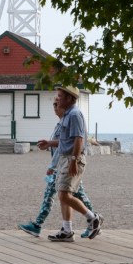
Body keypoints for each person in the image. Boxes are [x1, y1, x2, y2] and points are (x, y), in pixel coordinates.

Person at [18, 101, 97, 239]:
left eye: (57, 104)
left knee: (57, 195)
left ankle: (92, 219)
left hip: (65, 164)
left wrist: (54, 166)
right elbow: (62, 144)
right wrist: (49, 143)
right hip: (64, 164)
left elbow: (71, 144)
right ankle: (76, 226)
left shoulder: (72, 117)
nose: (55, 107)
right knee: (73, 196)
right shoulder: (61, 123)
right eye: (54, 104)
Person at [37, 86, 104, 242]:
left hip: (72, 159)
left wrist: (74, 161)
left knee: (64, 195)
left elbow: (78, 140)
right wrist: (49, 143)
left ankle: (93, 218)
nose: (57, 98)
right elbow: (65, 140)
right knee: (63, 194)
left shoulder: (74, 114)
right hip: (65, 158)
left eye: (60, 96)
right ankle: (67, 231)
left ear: (69, 98)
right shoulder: (67, 115)